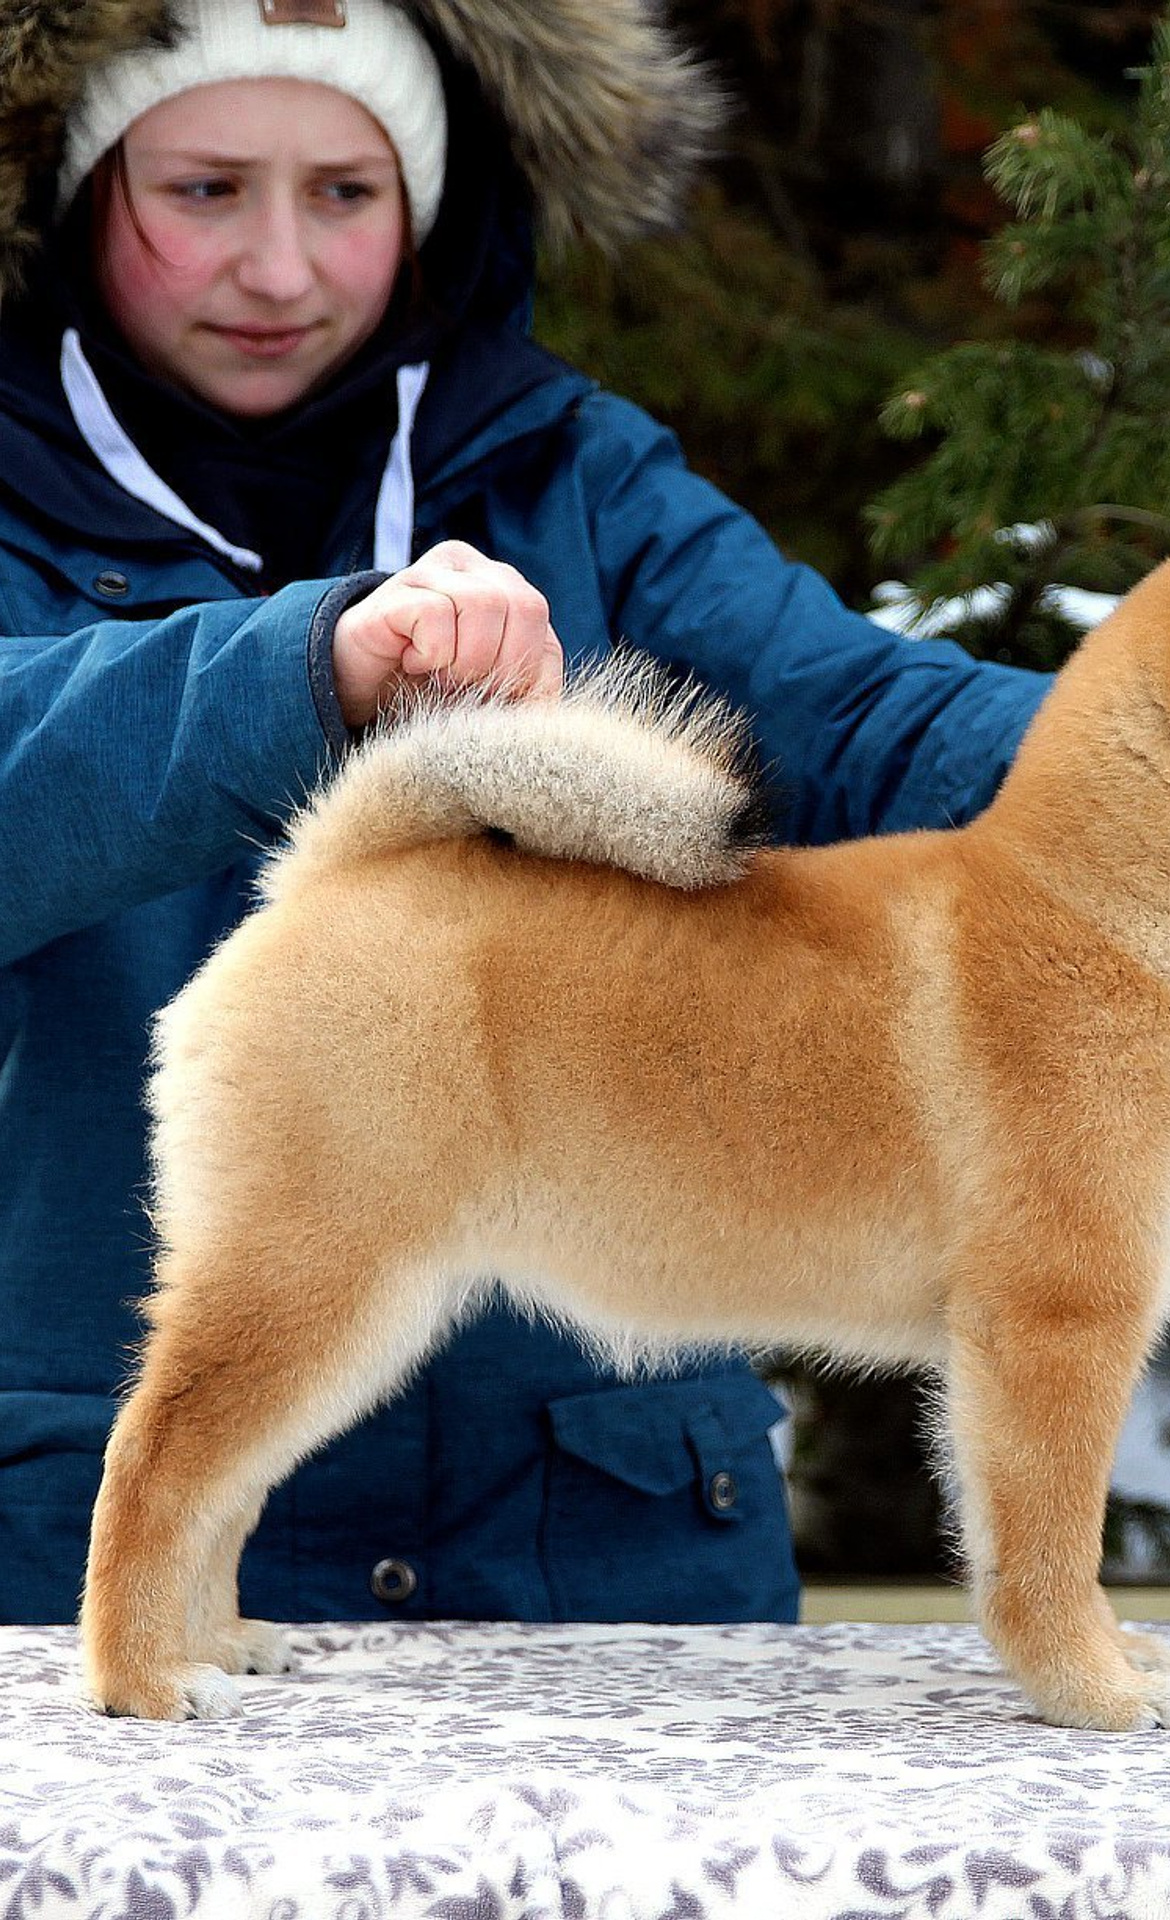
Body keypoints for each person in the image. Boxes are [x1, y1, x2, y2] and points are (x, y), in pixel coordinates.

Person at [0, 0, 1048, 1627]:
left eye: (345, 193)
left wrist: (1169, 799)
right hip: (114, 1540)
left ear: (428, 205)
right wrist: (307, 674)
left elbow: (856, 715)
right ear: (76, 195)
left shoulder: (575, 477)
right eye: (204, 190)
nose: (280, 267)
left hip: (600, 1540)